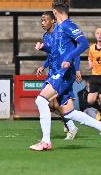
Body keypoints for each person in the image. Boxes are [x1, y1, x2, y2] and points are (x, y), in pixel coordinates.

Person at [29, 0, 101, 151]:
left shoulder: (68, 25)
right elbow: (55, 50)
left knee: (41, 100)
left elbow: (84, 43)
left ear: (54, 11)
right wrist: (43, 48)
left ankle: (46, 141)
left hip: (64, 73)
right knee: (69, 113)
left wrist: (69, 58)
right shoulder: (58, 29)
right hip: (58, 72)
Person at [35, 11, 79, 140]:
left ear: (53, 20)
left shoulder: (61, 33)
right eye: (41, 20)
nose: (43, 23)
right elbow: (52, 55)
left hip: (64, 72)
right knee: (51, 104)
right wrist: (43, 66)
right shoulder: (46, 36)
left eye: (45, 20)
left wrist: (77, 70)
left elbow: (74, 51)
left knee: (48, 101)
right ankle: (70, 125)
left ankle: (71, 126)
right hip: (53, 72)